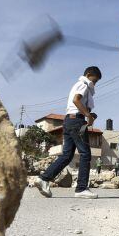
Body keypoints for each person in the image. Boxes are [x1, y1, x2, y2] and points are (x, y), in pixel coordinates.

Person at [34, 66, 102, 198]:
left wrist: (88, 114)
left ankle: (43, 179)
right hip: (76, 122)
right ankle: (81, 188)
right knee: (85, 154)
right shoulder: (83, 84)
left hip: (69, 121)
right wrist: (88, 115)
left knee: (66, 156)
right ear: (88, 75)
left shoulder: (79, 85)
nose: (95, 84)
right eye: (95, 80)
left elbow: (76, 103)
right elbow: (76, 100)